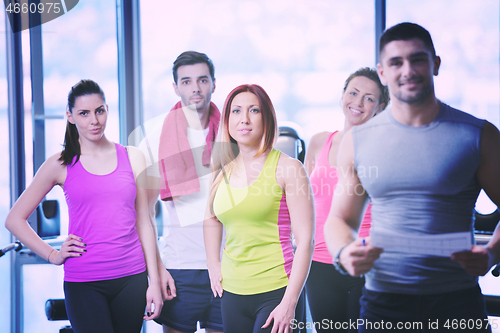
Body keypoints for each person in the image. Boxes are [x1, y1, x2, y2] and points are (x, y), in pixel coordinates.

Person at [324, 22, 500, 332]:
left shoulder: (478, 135)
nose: (407, 70)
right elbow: (339, 218)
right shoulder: (357, 141)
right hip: (384, 303)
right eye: (396, 62)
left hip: (457, 302)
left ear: (436, 64)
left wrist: (492, 254)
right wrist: (343, 253)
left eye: (417, 59)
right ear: (382, 72)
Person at [5, 79, 163, 333]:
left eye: (99, 111)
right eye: (84, 113)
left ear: (107, 110)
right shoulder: (60, 163)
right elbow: (14, 219)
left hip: (131, 278)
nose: (94, 121)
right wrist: (53, 255)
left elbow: (144, 221)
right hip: (84, 282)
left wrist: (154, 280)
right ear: (70, 116)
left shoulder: (133, 156)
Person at [204, 84, 315, 333]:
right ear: (227, 120)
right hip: (231, 291)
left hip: (276, 290)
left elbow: (306, 240)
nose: (244, 119)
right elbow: (211, 217)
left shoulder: (289, 168)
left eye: (253, 110)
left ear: (267, 118)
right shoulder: (221, 168)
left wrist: (290, 302)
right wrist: (212, 262)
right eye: (236, 111)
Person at [140, 51, 224, 333]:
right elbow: (145, 216)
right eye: (186, 82)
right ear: (176, 87)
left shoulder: (233, 134)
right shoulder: (154, 139)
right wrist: (158, 270)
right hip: (179, 266)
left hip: (229, 265)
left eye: (202, 80)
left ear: (214, 83)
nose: (196, 88)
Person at [304, 68, 388, 332]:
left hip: (363, 259)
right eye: (353, 93)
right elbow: (303, 199)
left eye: (369, 98)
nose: (358, 102)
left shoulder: (383, 148)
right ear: (342, 96)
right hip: (318, 260)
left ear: (380, 106)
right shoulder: (319, 142)